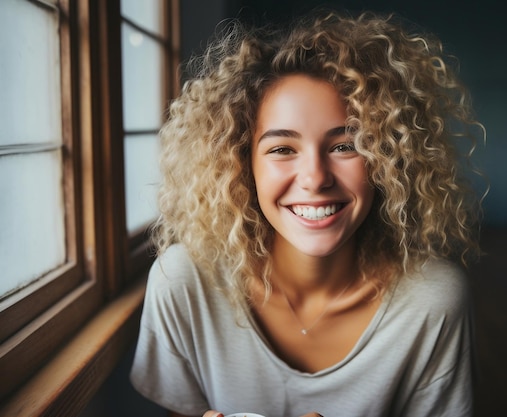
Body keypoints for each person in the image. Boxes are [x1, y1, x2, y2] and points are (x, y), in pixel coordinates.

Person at [130, 9, 485, 417]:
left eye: (344, 146)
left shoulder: (432, 302)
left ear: (386, 160)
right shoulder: (185, 283)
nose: (315, 178)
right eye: (282, 149)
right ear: (243, 164)